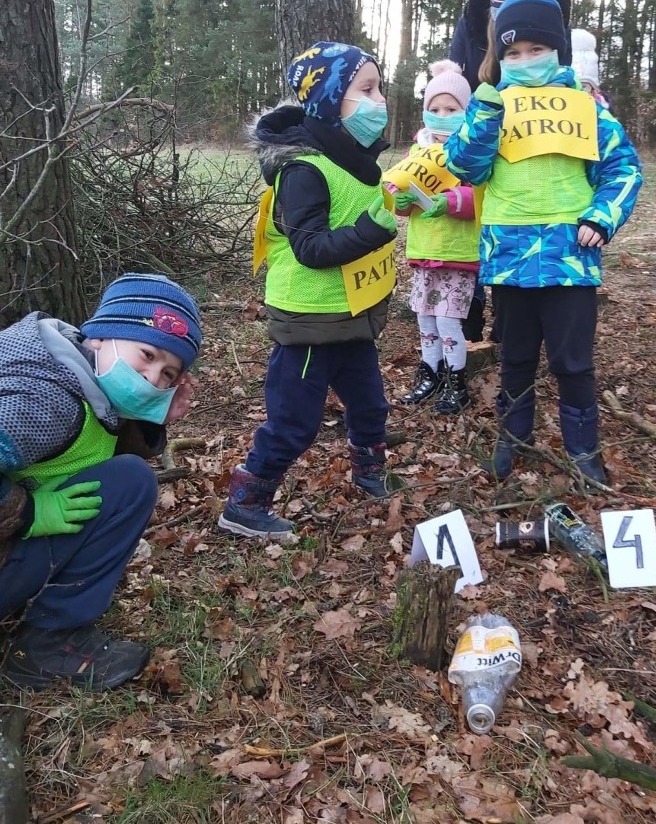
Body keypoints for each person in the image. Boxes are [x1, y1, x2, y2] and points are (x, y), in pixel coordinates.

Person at [444, 0, 643, 483]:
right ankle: (512, 440)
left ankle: (583, 450)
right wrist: (486, 112)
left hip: (570, 254)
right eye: (513, 52)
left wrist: (602, 217)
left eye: (537, 50)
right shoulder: (492, 103)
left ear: (558, 51)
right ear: (499, 57)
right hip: (507, 253)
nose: (525, 61)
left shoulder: (585, 105)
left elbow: (622, 166)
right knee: (514, 356)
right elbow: (463, 165)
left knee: (572, 361)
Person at [219, 42, 398, 539]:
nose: (378, 99)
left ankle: (369, 471)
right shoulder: (304, 169)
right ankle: (245, 502)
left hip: (353, 315)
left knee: (370, 405)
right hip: (308, 322)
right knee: (294, 421)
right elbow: (311, 248)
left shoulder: (354, 160)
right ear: (328, 99)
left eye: (379, 87)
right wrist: (376, 227)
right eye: (366, 89)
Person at [0, 274, 201, 691]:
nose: (152, 378)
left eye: (168, 374)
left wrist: (150, 417)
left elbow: (89, 446)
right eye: (147, 354)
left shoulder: (69, 366)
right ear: (101, 336)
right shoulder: (44, 400)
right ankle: (47, 645)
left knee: (127, 479)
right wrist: (28, 511)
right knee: (131, 484)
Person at [391, 61, 481, 415]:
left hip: (457, 253)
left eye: (451, 109)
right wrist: (402, 202)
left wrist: (451, 201)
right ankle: (430, 373)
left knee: (448, 322)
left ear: (465, 111)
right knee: (425, 319)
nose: (442, 116)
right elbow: (405, 192)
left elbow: (483, 197)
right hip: (423, 251)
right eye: (435, 109)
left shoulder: (473, 151)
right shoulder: (418, 151)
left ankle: (456, 382)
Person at [449, 0, 573, 89]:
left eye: (536, 49)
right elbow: (454, 85)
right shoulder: (472, 28)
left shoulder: (558, 29)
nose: (525, 61)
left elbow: (563, 71)